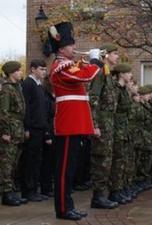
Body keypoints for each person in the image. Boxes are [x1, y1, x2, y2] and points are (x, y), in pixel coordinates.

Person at [48, 21, 100, 220]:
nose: (75, 48)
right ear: (62, 48)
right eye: (71, 45)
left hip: (74, 123)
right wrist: (95, 62)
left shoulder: (68, 64)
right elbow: (84, 77)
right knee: (64, 170)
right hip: (68, 124)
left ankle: (67, 205)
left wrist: (89, 62)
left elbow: (81, 71)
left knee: (70, 169)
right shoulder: (60, 66)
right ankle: (63, 208)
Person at [88, 43, 120, 209]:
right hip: (101, 123)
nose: (117, 57)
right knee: (101, 160)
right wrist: (94, 124)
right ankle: (98, 196)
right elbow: (93, 99)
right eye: (115, 54)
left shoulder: (108, 75)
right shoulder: (100, 74)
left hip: (109, 122)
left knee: (107, 159)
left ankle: (102, 195)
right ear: (106, 55)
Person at [0, 61, 28, 206]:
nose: (20, 72)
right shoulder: (6, 89)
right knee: (7, 163)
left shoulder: (17, 88)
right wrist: (5, 132)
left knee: (14, 163)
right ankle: (6, 194)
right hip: (10, 131)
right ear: (11, 73)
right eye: (17, 71)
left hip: (18, 130)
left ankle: (10, 191)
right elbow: (3, 112)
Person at [20, 59, 48, 202]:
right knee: (29, 160)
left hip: (40, 128)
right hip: (32, 128)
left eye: (45, 69)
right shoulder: (28, 84)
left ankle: (34, 190)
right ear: (33, 69)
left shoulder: (39, 86)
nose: (44, 72)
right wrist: (26, 128)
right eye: (41, 69)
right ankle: (28, 191)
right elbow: (26, 108)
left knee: (37, 160)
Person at [109, 63, 134, 204]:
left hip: (124, 129)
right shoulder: (116, 90)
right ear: (121, 74)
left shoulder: (123, 90)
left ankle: (120, 189)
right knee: (117, 161)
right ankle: (114, 191)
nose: (130, 75)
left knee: (122, 161)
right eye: (128, 72)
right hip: (117, 129)